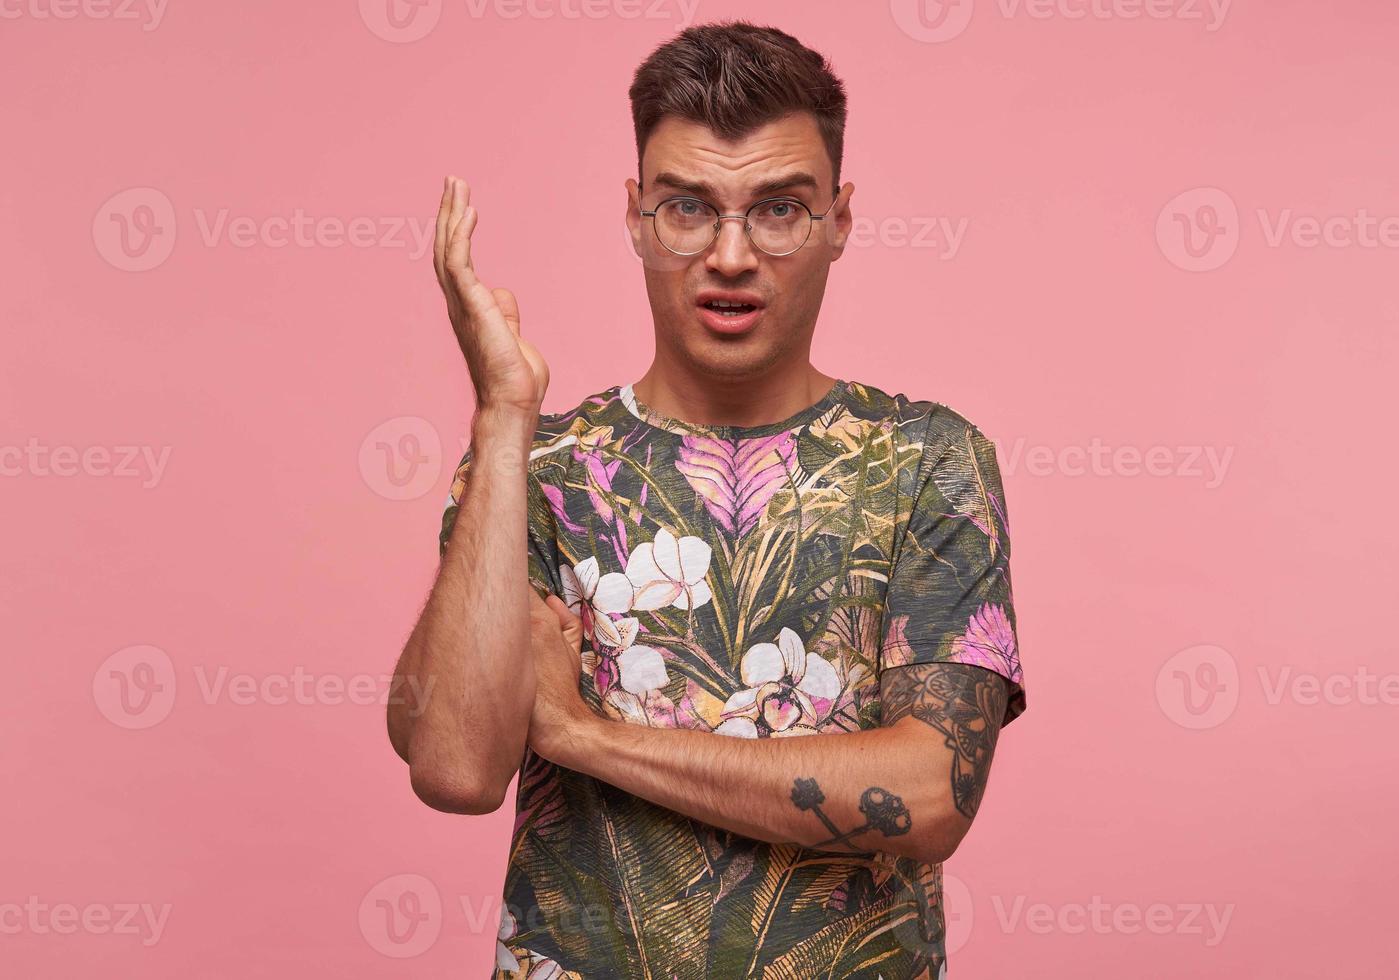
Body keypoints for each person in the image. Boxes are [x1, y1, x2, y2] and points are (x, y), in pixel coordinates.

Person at [388, 21, 1027, 980]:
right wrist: (503, 416)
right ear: (639, 216)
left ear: (838, 222)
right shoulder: (544, 468)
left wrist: (577, 734)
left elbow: (930, 794)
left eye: (778, 210)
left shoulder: (927, 460)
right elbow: (453, 766)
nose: (730, 255)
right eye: (689, 208)